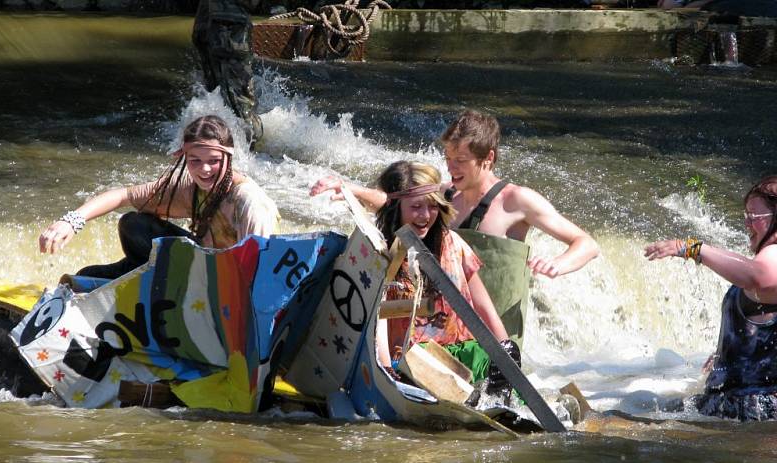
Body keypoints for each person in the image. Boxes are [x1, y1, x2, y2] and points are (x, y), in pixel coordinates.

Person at [310, 109, 598, 353]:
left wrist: (558, 264)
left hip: (496, 339)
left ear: (488, 158)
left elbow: (586, 243)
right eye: (447, 158)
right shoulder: (446, 196)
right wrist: (348, 189)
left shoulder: (517, 200)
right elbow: (396, 204)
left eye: (460, 161)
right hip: (445, 332)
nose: (450, 168)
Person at [38, 115, 280, 280]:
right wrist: (70, 221)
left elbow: (261, 272)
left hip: (230, 284)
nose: (205, 170)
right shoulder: (190, 188)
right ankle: (137, 278)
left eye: (214, 161)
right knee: (133, 226)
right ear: (183, 157)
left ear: (229, 158)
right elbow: (122, 196)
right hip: (202, 267)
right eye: (195, 161)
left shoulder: (250, 203)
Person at [644, 175, 777, 421]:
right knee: (647, 411)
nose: (747, 224)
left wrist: (691, 248)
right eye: (745, 216)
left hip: (754, 408)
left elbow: (757, 276)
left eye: (753, 217)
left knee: (641, 421)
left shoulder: (774, 255)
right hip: (740, 404)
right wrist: (723, 354)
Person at [372, 161, 515, 385]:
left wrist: (507, 350)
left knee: (506, 367)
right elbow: (378, 319)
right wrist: (387, 368)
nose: (426, 215)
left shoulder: (452, 243)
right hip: (409, 362)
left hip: (463, 356)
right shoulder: (379, 254)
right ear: (395, 207)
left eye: (433, 206)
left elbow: (483, 306)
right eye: (416, 207)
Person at [192, 0, 262, 143]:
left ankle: (249, 154)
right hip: (211, 15)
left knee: (239, 103)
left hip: (228, 17)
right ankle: (213, 149)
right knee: (212, 95)